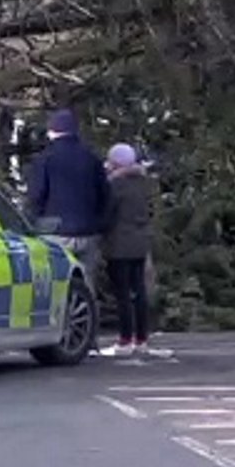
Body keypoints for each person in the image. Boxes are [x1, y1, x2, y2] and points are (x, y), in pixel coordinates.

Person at [27, 109, 109, 277]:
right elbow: (105, 195)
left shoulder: (45, 158)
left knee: (58, 283)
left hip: (55, 232)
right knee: (86, 283)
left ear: (52, 131)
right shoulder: (91, 158)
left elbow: (36, 195)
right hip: (88, 230)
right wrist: (100, 224)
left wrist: (33, 223)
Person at [99, 144, 163, 357]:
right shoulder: (143, 183)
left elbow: (107, 213)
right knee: (139, 291)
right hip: (140, 240)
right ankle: (142, 339)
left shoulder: (115, 185)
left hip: (119, 242)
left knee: (122, 293)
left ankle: (125, 339)